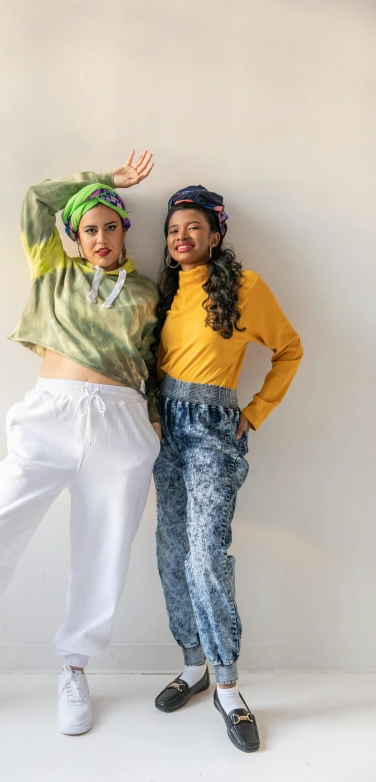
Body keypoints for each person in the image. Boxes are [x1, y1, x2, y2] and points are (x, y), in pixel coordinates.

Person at [0, 151, 161, 736]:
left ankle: (74, 667)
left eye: (110, 225)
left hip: (123, 426)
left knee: (102, 553)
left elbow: (159, 362)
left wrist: (152, 420)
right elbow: (35, 199)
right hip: (50, 417)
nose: (100, 237)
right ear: (75, 237)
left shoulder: (150, 292)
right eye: (88, 229)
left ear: (125, 228)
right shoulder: (54, 272)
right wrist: (105, 179)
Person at [152, 185, 303, 752]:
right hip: (165, 427)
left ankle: (229, 684)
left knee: (206, 550)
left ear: (215, 234)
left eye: (193, 227)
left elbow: (289, 349)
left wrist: (255, 413)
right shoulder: (165, 291)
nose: (181, 237)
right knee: (170, 548)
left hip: (214, 430)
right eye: (172, 230)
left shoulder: (244, 287)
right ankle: (193, 665)